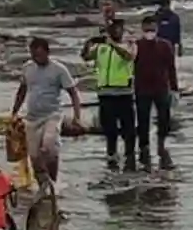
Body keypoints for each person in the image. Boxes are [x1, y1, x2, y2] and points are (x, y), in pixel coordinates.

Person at [10, 38, 80, 186]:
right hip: (32, 117)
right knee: (34, 156)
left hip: (52, 115)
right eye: (33, 55)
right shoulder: (28, 68)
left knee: (48, 147)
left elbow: (73, 92)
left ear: (47, 53)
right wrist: (14, 112)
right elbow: (22, 90)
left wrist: (77, 116)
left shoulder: (59, 69)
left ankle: (53, 181)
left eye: (39, 55)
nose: (36, 58)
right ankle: (43, 185)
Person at [86, 18, 137, 170]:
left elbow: (129, 56)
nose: (115, 31)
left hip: (123, 92)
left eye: (118, 28)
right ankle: (111, 154)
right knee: (109, 128)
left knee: (128, 127)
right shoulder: (101, 47)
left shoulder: (129, 45)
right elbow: (86, 56)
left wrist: (113, 45)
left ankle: (130, 154)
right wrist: (90, 42)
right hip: (105, 92)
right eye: (112, 28)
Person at [133, 15, 178, 171]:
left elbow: (171, 68)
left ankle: (161, 145)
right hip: (142, 89)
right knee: (143, 120)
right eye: (147, 29)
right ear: (142, 29)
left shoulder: (165, 46)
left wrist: (175, 88)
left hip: (161, 88)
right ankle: (144, 148)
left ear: (157, 29)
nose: (150, 32)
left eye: (152, 29)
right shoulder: (136, 46)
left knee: (164, 119)